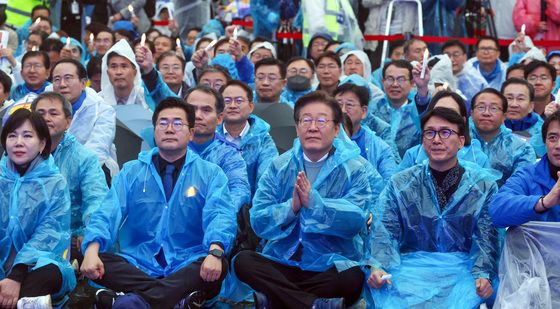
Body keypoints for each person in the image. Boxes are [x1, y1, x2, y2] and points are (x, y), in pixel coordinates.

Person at [80, 97, 236, 308]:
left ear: (191, 133)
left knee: (219, 263)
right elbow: (107, 212)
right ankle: (176, 300)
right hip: (138, 262)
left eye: (178, 123)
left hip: (187, 261)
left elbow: (220, 215)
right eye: (162, 123)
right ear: (154, 130)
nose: (169, 129)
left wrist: (215, 251)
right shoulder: (132, 171)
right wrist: (91, 250)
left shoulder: (210, 174)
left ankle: (132, 300)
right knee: (101, 259)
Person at [234, 91, 372, 308]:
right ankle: (313, 305)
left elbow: (355, 221)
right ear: (297, 127)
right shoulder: (279, 166)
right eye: (306, 120)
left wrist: (316, 204)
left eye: (322, 120)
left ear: (336, 129)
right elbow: (258, 219)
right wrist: (292, 207)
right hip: (283, 261)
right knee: (243, 262)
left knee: (353, 276)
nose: (313, 127)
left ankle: (276, 298)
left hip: (328, 265)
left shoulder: (354, 170)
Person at [368, 107, 499, 308]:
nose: (436, 140)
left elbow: (487, 238)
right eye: (430, 133)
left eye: (445, 132)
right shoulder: (401, 183)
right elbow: (385, 231)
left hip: (463, 268)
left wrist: (483, 273)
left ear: (461, 141)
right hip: (411, 268)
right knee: (383, 289)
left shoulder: (482, 186)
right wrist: (379, 266)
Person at [0, 108, 75, 307]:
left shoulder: (54, 183)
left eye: (27, 136)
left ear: (42, 144)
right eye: (12, 136)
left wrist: (16, 275)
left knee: (48, 274)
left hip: (35, 266)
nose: (18, 142)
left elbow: (49, 233)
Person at [30, 92, 108, 260]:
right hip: (25, 232)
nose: (46, 118)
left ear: (68, 121)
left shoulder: (84, 158)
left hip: (69, 235)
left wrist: (88, 233)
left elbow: (97, 200)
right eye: (40, 113)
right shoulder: (17, 153)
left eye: (53, 113)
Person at [185, 85, 251, 211]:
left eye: (206, 110)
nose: (198, 115)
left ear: (219, 118)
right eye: (192, 109)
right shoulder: (170, 148)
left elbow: (239, 191)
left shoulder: (229, 155)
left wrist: (213, 213)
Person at [491, 110, 560, 227]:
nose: (558, 146)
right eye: (553, 138)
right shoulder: (528, 175)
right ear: (544, 142)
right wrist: (544, 202)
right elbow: (497, 211)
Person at [399, 91, 491, 170]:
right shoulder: (413, 155)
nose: (443, 119)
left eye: (451, 113)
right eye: (437, 112)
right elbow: (395, 188)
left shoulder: (478, 159)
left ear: (463, 121)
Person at [51, 58, 117, 168]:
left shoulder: (103, 110)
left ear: (83, 83)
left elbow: (97, 150)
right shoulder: (45, 107)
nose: (62, 84)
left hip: (92, 170)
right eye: (56, 79)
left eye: (68, 78)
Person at [217, 80, 278, 196]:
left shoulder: (263, 140)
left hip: (250, 208)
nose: (233, 105)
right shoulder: (210, 136)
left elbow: (267, 181)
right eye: (227, 101)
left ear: (250, 106)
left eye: (239, 101)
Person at [470, 88, 536, 186]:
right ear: (471, 113)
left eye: (494, 108)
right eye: (481, 107)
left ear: (504, 116)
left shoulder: (522, 149)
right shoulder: (458, 141)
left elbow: (520, 185)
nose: (486, 113)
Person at [333, 82, 397, 182]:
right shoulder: (321, 140)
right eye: (338, 104)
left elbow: (389, 185)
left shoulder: (380, 148)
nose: (343, 110)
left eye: (349, 105)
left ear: (363, 111)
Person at [367, 59, 431, 158]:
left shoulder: (418, 110)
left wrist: (422, 87)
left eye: (401, 79)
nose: (395, 84)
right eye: (390, 79)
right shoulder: (371, 109)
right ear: (383, 82)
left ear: (412, 83)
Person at [502, 78, 546, 156]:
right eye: (509, 98)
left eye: (520, 99)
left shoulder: (542, 129)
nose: (514, 104)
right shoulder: (487, 123)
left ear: (531, 106)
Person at [442, 39, 488, 112]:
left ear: (465, 57)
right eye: (447, 56)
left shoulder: (475, 80)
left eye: (456, 55)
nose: (451, 59)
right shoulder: (438, 77)